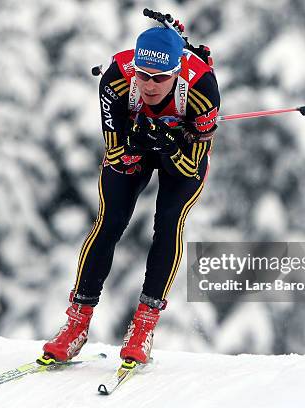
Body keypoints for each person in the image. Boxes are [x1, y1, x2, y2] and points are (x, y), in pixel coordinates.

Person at [42, 25, 220, 364]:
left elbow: (190, 167)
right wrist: (137, 143)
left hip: (181, 158)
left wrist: (168, 148)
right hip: (134, 149)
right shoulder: (116, 79)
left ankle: (143, 327)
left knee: (168, 223)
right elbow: (115, 155)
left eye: (160, 78)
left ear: (177, 70)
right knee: (109, 223)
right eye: (143, 75)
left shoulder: (202, 87)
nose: (150, 85)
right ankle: (76, 325)